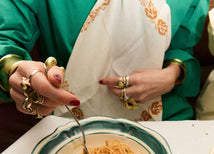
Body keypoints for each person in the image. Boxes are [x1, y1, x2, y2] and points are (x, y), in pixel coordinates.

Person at [0, 0, 209, 122]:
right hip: (71, 121)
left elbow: (181, 47)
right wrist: (13, 69)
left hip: (167, 120)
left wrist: (172, 75)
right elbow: (6, 38)